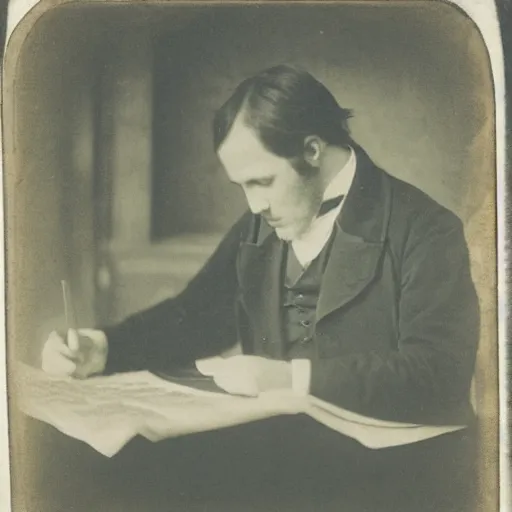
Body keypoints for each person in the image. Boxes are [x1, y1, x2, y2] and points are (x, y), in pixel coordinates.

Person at [41, 65, 480, 510]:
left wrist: (291, 378)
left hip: (393, 471)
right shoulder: (261, 222)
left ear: (312, 149)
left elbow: (438, 375)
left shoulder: (426, 229)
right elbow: (196, 315)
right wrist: (104, 348)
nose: (254, 205)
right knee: (105, 461)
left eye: (262, 181)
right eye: (243, 186)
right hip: (290, 455)